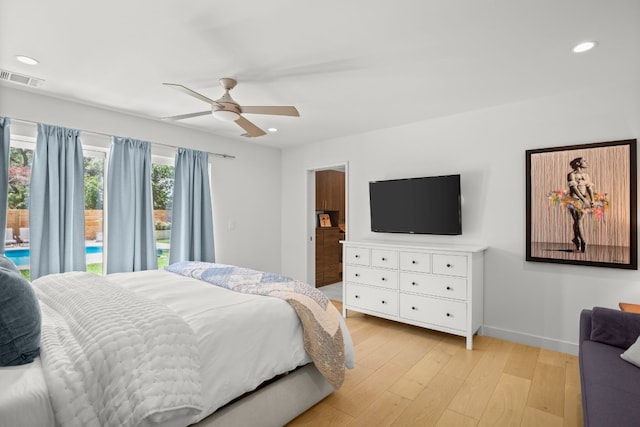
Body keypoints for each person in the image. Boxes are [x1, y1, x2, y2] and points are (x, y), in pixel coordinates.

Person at [567, 157, 594, 252]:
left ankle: (576, 238)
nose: (586, 162)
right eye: (584, 161)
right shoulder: (571, 175)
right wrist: (583, 199)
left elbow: (589, 188)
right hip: (575, 199)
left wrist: (592, 200)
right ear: (578, 163)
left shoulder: (586, 175)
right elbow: (574, 188)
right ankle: (583, 241)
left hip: (583, 199)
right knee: (579, 220)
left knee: (577, 220)